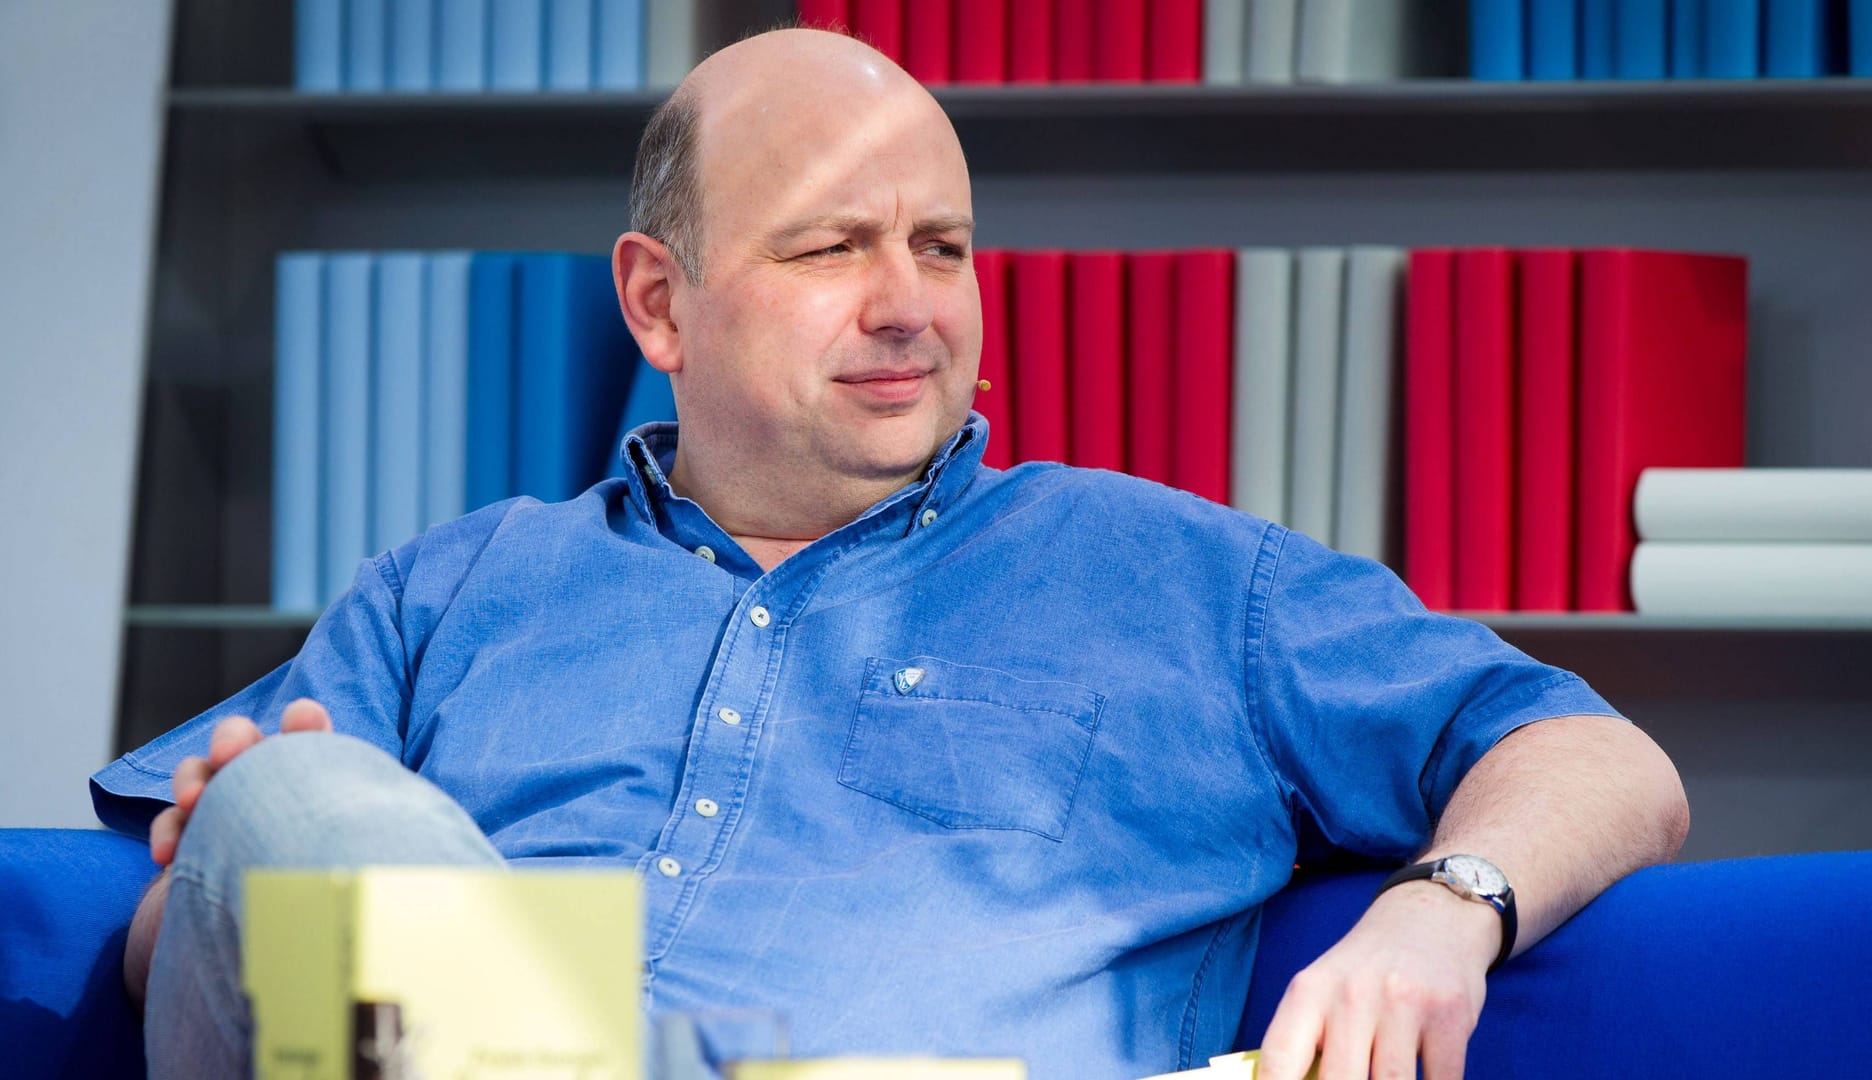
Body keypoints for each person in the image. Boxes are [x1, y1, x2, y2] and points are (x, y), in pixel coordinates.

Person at [95, 27, 1689, 1080]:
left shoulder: (1183, 579)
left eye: (941, 246)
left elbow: (1597, 755)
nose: (910, 304)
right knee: (292, 796)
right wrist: (220, 874)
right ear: (659, 302)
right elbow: (195, 963)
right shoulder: (452, 589)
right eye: (830, 246)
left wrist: (1443, 903)